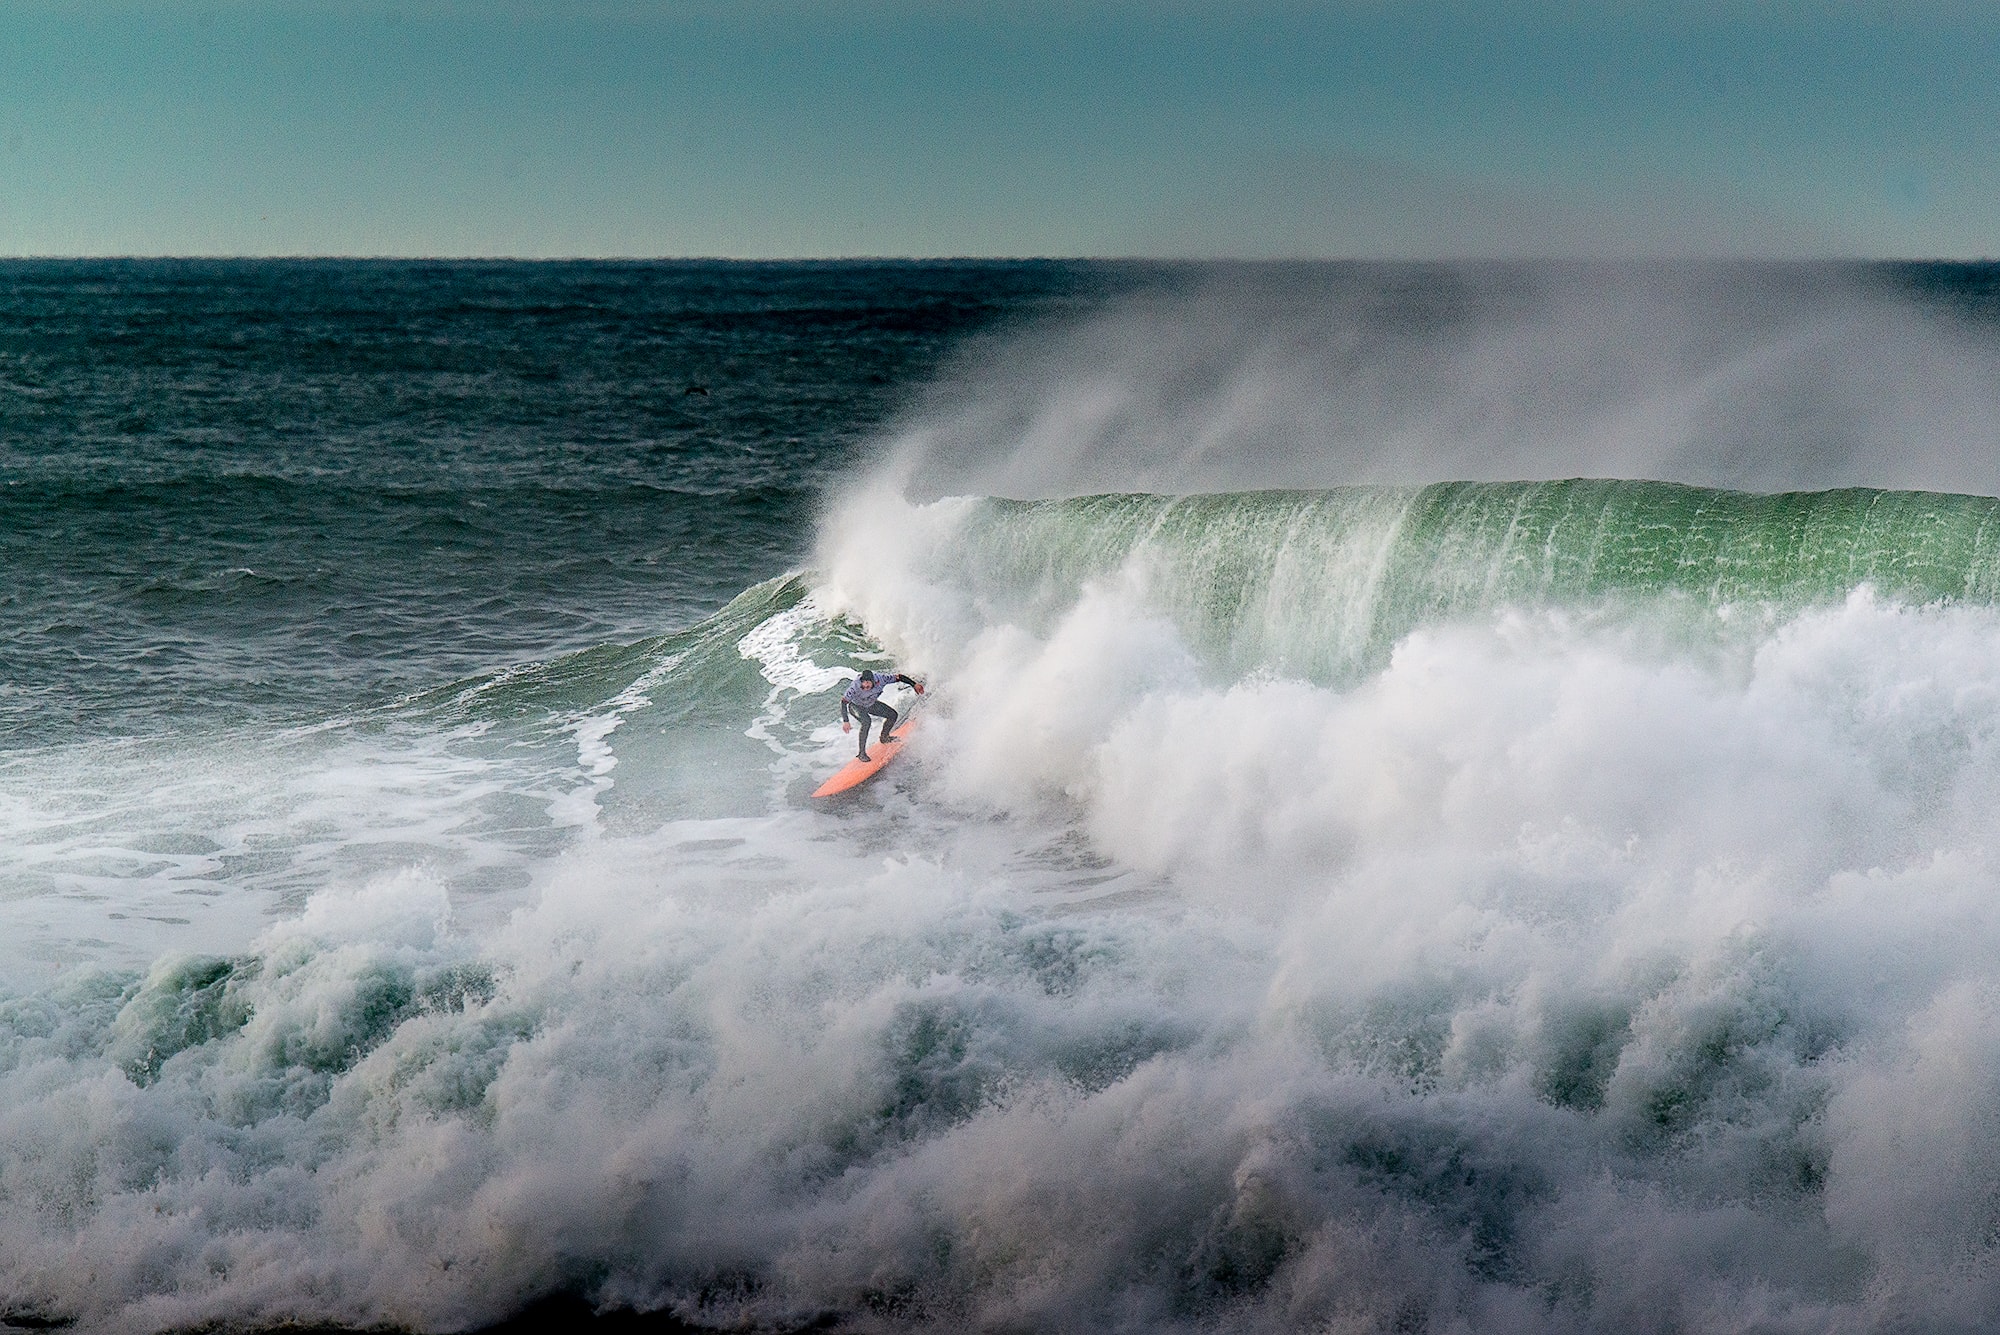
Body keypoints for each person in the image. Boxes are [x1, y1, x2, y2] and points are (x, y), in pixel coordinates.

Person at [840, 668, 923, 762]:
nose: (866, 685)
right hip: (856, 707)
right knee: (866, 722)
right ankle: (861, 753)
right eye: (864, 683)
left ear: (873, 681)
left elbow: (899, 677)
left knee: (892, 715)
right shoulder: (855, 686)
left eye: (868, 683)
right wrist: (846, 721)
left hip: (870, 704)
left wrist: (914, 684)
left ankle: (884, 737)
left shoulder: (881, 678)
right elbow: (843, 702)